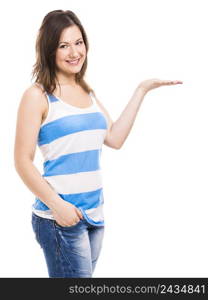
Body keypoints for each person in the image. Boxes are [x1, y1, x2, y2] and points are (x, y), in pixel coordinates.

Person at [14, 9, 183, 278]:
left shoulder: (87, 92)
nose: (74, 52)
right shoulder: (37, 96)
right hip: (61, 218)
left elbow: (114, 138)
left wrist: (141, 90)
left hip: (94, 214)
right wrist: (58, 206)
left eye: (78, 42)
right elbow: (22, 161)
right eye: (63, 45)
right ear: (49, 50)